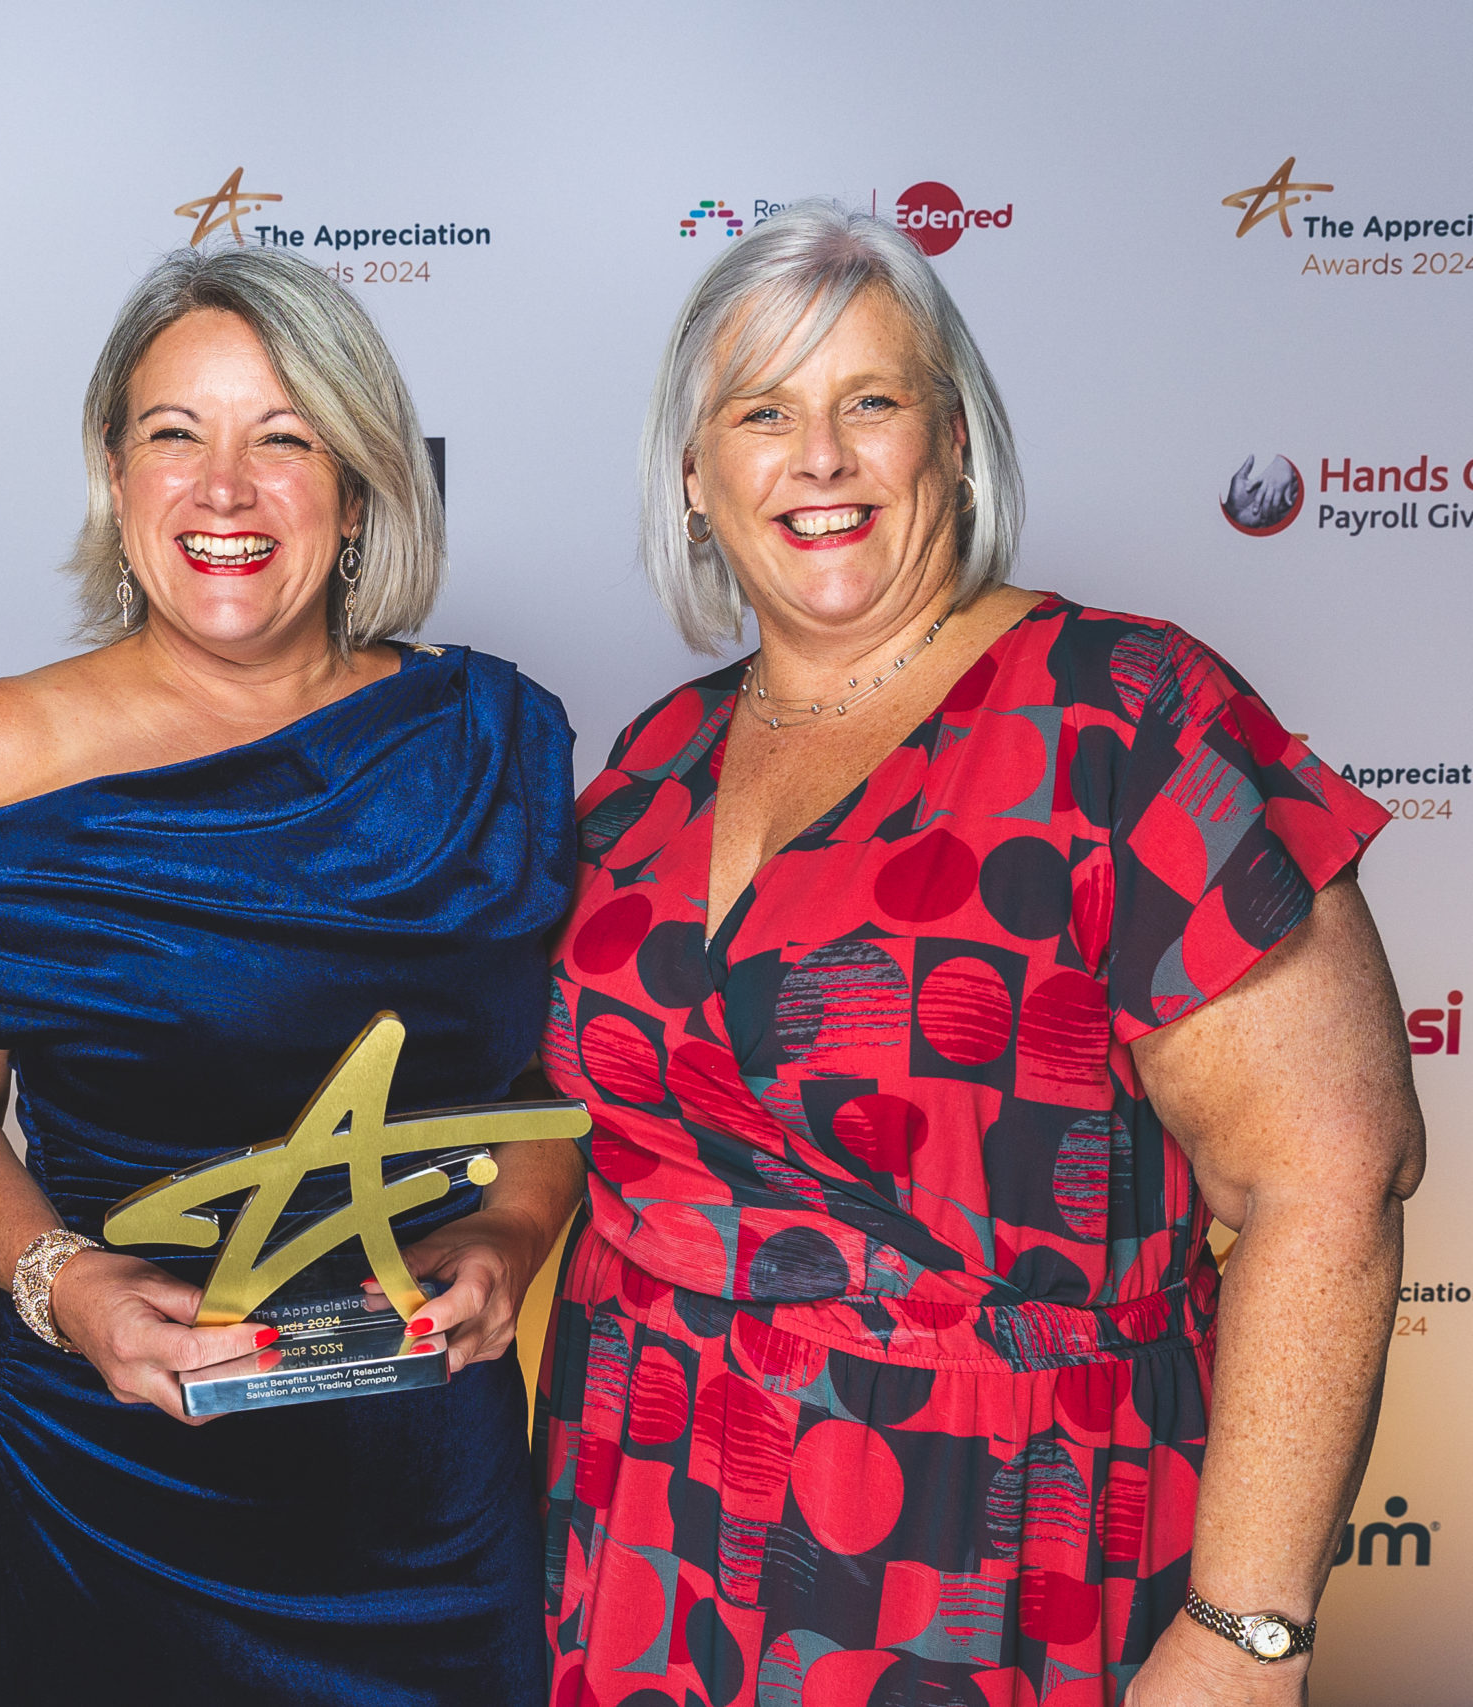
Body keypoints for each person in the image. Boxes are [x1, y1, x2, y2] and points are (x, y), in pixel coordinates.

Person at [533, 201, 1423, 1707]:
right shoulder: (655, 760)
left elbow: (1331, 1174)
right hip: (641, 1517)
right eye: (763, 413)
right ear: (696, 477)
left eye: (870, 402)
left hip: (986, 1543)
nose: (819, 458)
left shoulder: (1120, 718)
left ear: (953, 440)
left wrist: (1245, 1635)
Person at [0, 245, 581, 1702]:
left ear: (362, 484)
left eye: (284, 438)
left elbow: (541, 1085)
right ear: (115, 481)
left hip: (422, 1492)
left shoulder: (490, 746)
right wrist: (67, 1284)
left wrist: (509, 1236)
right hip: (120, 1482)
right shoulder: (1, 759)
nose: (225, 489)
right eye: (174, 436)